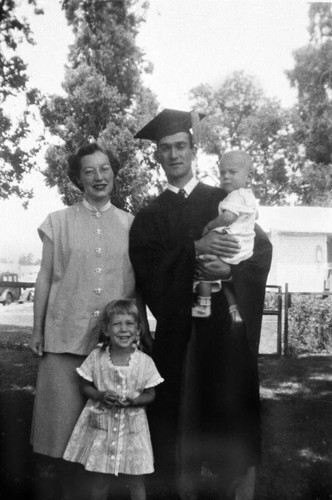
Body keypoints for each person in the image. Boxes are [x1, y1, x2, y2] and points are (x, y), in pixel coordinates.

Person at [129, 109, 272, 500]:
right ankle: (182, 491)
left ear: (193, 150)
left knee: (230, 415)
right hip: (179, 334)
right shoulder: (149, 216)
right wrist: (195, 248)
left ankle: (237, 491)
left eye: (180, 146)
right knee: (180, 415)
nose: (174, 155)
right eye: (165, 149)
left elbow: (260, 252)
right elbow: (148, 273)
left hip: (224, 334)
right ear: (156, 156)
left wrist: (228, 269)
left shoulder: (222, 200)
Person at [29, 143, 137, 500]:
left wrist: (141, 331)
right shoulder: (57, 222)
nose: (98, 177)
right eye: (89, 171)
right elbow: (45, 276)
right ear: (78, 178)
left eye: (104, 168)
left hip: (110, 347)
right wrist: (37, 329)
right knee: (62, 436)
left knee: (104, 436)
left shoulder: (130, 224)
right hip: (63, 339)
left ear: (113, 173)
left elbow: (138, 285)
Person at [63, 299, 163, 500]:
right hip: (104, 430)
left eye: (129, 324)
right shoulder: (96, 357)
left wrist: (134, 401)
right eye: (117, 324)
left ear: (138, 330)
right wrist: (99, 395)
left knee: (136, 480)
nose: (124, 330)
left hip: (132, 432)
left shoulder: (145, 362)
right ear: (106, 330)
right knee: (101, 480)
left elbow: (151, 394)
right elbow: (84, 386)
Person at [192, 150, 257, 321]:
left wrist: (209, 226)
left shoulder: (235, 196)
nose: (226, 176)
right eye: (222, 172)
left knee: (204, 261)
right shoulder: (250, 196)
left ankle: (203, 304)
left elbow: (228, 217)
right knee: (226, 280)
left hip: (230, 243)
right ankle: (234, 309)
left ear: (249, 177)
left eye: (232, 172)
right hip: (243, 249)